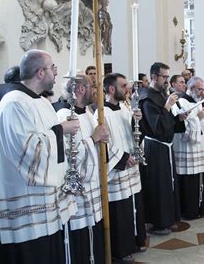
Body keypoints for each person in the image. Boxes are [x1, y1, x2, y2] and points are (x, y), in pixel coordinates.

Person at [0, 49, 80, 263]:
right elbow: (28, 148)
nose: (55, 73)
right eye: (52, 68)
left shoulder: (40, 101)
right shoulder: (14, 103)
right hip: (27, 202)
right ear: (40, 72)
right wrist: (61, 130)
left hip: (47, 199)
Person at [56, 75, 109, 264]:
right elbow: (69, 158)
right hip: (79, 192)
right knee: (82, 239)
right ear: (80, 89)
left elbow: (98, 144)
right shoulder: (64, 116)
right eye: (92, 86)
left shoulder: (87, 113)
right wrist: (94, 138)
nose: (95, 90)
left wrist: (103, 138)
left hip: (94, 186)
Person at [97, 73, 147, 261]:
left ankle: (136, 240)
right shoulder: (102, 113)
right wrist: (123, 158)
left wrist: (137, 122)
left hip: (131, 168)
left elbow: (134, 136)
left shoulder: (126, 109)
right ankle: (122, 249)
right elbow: (104, 144)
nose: (127, 88)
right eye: (123, 85)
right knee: (121, 210)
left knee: (133, 205)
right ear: (111, 89)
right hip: (118, 172)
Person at [138, 62, 187, 235]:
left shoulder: (160, 95)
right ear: (153, 77)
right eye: (164, 77)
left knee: (168, 183)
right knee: (159, 185)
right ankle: (158, 221)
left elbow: (168, 123)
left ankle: (169, 218)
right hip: (155, 148)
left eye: (167, 76)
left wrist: (179, 119)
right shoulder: (147, 98)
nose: (167, 80)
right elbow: (156, 127)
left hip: (166, 146)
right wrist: (167, 107)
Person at [172, 76, 204, 219]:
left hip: (198, 146)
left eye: (203, 89)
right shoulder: (181, 101)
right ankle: (189, 210)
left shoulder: (197, 101)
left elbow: (199, 122)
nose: (202, 92)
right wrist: (198, 118)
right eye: (200, 89)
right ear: (192, 87)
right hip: (187, 147)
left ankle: (201, 207)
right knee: (188, 179)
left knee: (199, 176)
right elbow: (181, 125)